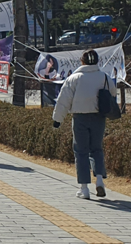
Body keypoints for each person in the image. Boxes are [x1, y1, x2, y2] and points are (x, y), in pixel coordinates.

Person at [53, 49, 115, 199]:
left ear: (82, 61)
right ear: (97, 61)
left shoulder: (75, 78)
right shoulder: (104, 77)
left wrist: (57, 119)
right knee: (96, 149)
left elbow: (63, 100)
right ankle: (99, 180)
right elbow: (112, 94)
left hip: (80, 117)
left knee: (81, 151)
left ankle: (84, 188)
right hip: (99, 117)